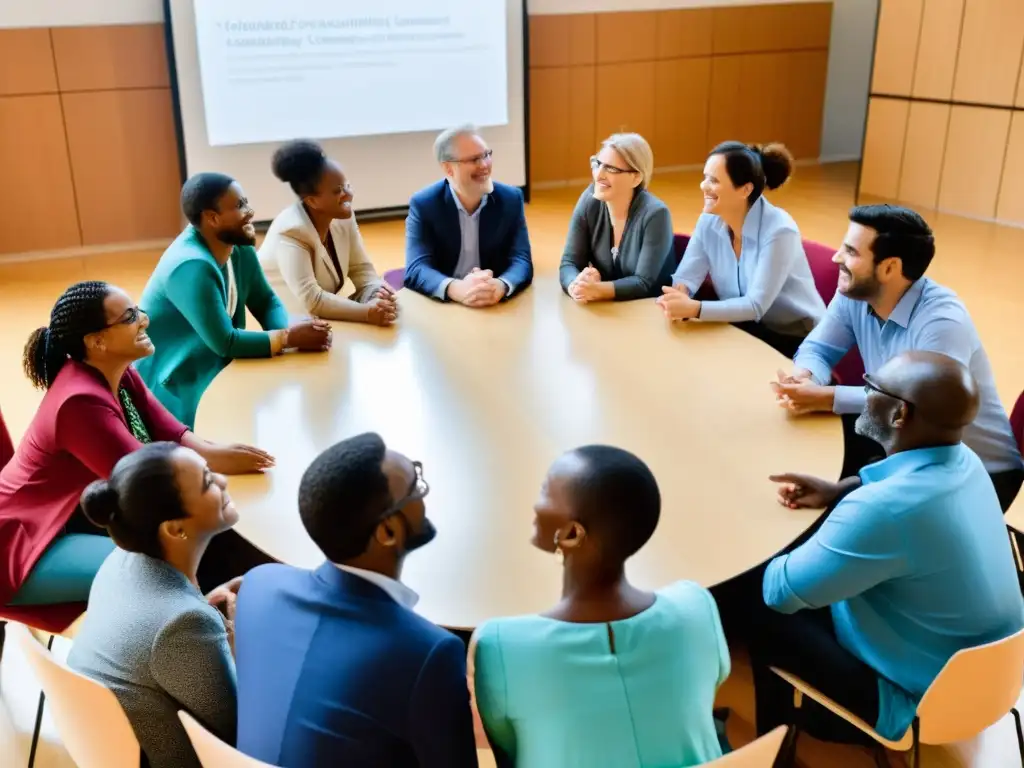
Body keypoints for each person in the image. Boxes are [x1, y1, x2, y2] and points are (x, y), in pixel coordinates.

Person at [751, 351, 1024, 746]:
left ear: (899, 415)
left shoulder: (884, 510)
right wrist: (838, 491)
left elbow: (776, 593)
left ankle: (788, 735)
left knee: (753, 605)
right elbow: (897, 502)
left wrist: (781, 540)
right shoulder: (968, 462)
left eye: (872, 387)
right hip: (997, 677)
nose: (863, 392)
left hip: (916, 706)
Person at [0, 281, 273, 612]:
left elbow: (168, 431)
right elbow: (148, 482)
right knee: (158, 571)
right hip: (25, 542)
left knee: (208, 532)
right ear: (96, 341)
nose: (144, 319)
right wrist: (212, 474)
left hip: (68, 518)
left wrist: (219, 456)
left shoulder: (116, 370)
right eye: (130, 317)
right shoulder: (78, 403)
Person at [472, 445, 730, 767]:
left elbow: (507, 743)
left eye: (544, 491)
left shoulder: (502, 644)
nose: (536, 504)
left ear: (570, 533)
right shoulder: (696, 607)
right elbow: (711, 686)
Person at [233, 433, 478, 768]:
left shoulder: (260, 585)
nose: (422, 493)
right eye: (416, 487)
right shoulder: (427, 653)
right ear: (388, 532)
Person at [772, 204, 1023, 509]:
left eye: (851, 252)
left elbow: (916, 410)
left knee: (835, 511)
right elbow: (819, 349)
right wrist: (807, 377)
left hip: (973, 474)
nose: (837, 257)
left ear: (889, 267)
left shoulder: (942, 322)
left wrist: (826, 398)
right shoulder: (854, 293)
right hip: (898, 443)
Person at [68, 442, 242, 768]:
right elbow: (237, 731)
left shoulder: (121, 560)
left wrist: (205, 609)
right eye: (207, 481)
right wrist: (237, 649)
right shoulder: (183, 624)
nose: (222, 480)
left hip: (109, 744)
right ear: (175, 528)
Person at [136, 172, 333, 428]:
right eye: (240, 206)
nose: (250, 212)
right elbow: (225, 342)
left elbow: (266, 300)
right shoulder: (190, 266)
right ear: (212, 218)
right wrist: (289, 338)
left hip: (214, 361)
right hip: (177, 380)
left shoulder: (237, 243)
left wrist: (288, 333)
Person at [658, 142, 825, 358]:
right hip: (744, 325)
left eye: (714, 180)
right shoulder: (708, 220)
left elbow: (755, 305)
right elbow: (687, 275)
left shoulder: (779, 231)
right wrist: (681, 291)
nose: (703, 186)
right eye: (705, 177)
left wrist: (694, 308)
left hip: (794, 339)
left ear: (745, 189)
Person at [260, 139, 398, 325]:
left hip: (318, 319)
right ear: (312, 201)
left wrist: (375, 295)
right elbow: (313, 300)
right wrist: (367, 313)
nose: (348, 195)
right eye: (338, 191)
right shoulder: (291, 232)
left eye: (346, 185)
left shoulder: (343, 217)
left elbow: (361, 269)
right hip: (284, 322)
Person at [404, 125, 533, 306]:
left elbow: (522, 260)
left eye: (486, 155)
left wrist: (501, 285)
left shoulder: (510, 199)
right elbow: (416, 268)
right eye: (474, 159)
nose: (484, 165)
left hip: (492, 301)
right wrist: (456, 289)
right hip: (445, 306)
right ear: (448, 168)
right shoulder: (425, 204)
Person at [559, 133, 675, 302]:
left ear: (636, 178)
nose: (599, 175)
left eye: (612, 169)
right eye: (597, 164)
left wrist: (597, 290)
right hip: (609, 310)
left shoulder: (656, 214)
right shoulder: (590, 199)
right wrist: (576, 286)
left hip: (648, 312)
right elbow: (569, 262)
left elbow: (644, 283)